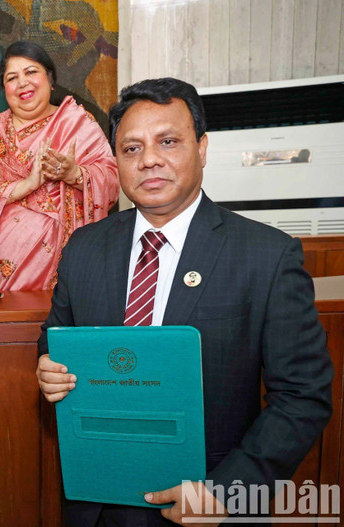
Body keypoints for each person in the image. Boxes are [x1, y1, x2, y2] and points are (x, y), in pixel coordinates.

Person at [36, 78, 333, 526]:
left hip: (207, 501)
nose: (149, 160)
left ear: (203, 148)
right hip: (97, 501)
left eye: (168, 141)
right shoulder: (84, 247)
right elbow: (54, 340)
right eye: (131, 148)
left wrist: (228, 491)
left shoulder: (266, 256)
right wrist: (47, 368)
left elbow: (303, 396)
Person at [0, 41, 119, 291]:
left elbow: (112, 182)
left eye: (31, 72)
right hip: (6, 276)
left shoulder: (78, 124)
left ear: (50, 79)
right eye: (12, 78)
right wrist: (27, 185)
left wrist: (75, 174)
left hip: (69, 265)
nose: (22, 83)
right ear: (4, 89)